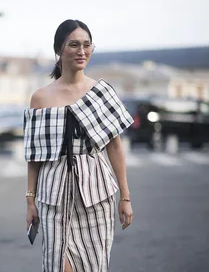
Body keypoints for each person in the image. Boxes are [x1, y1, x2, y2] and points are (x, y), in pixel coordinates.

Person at [24, 19, 134, 272]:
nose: (82, 51)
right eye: (74, 44)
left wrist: (125, 197)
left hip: (96, 194)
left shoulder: (102, 91)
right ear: (59, 50)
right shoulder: (40, 97)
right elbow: (34, 154)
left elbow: (115, 147)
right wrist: (30, 200)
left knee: (94, 266)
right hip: (53, 195)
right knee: (59, 267)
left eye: (87, 45)